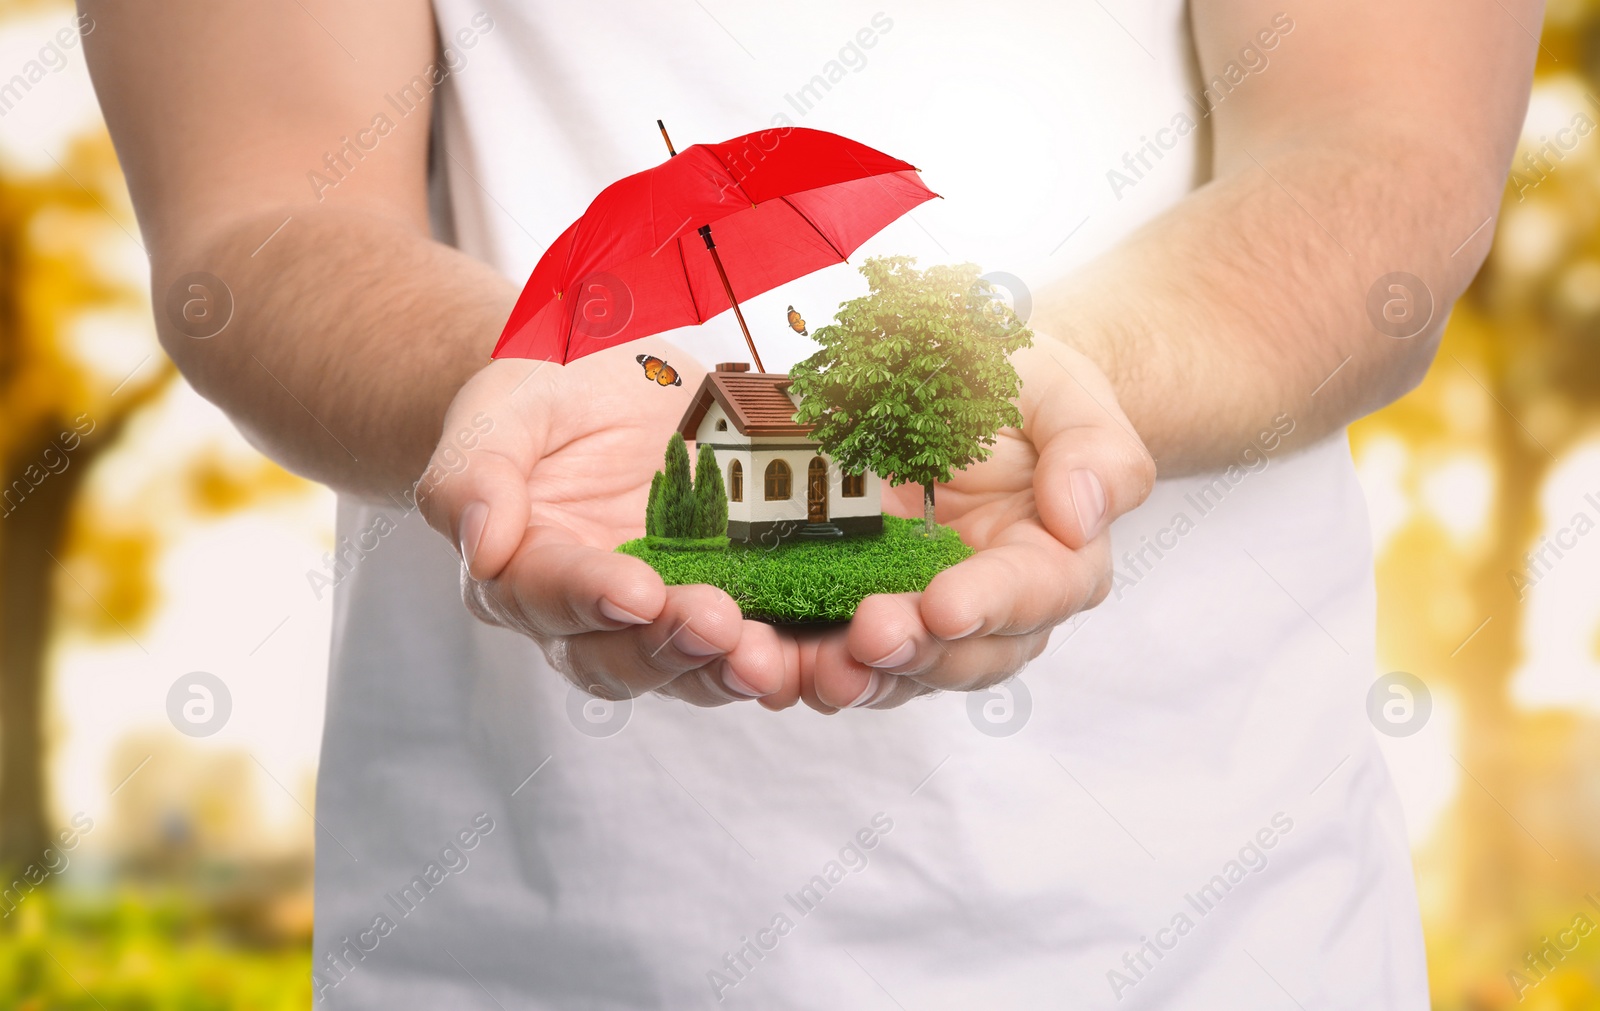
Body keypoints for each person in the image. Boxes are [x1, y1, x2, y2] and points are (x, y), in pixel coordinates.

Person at [85, 0, 1537, 1005]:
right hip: (509, 953)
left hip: (1220, 950)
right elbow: (259, 215)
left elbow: (1384, 147)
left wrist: (1060, 380)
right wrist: (521, 398)